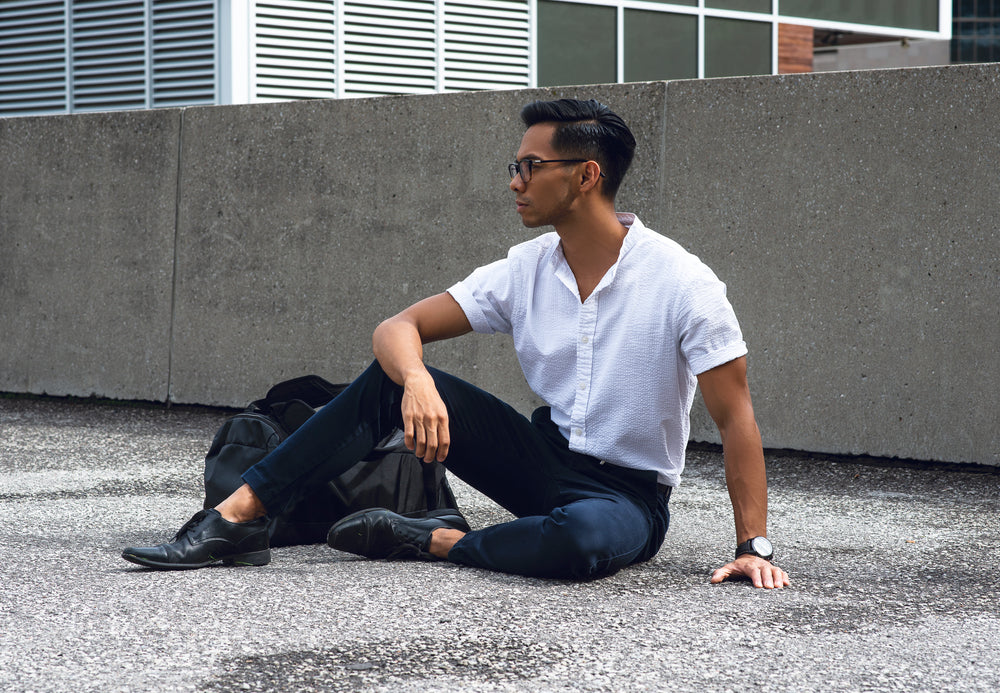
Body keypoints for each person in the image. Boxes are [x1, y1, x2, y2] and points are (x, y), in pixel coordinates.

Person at [123, 98, 790, 589]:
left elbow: (737, 419)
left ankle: (437, 539)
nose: (515, 181)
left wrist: (751, 543)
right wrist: (416, 381)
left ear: (586, 176)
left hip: (626, 498)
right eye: (515, 165)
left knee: (582, 544)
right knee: (392, 374)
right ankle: (238, 516)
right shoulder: (525, 268)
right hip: (540, 460)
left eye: (531, 167)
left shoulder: (683, 283)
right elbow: (397, 328)